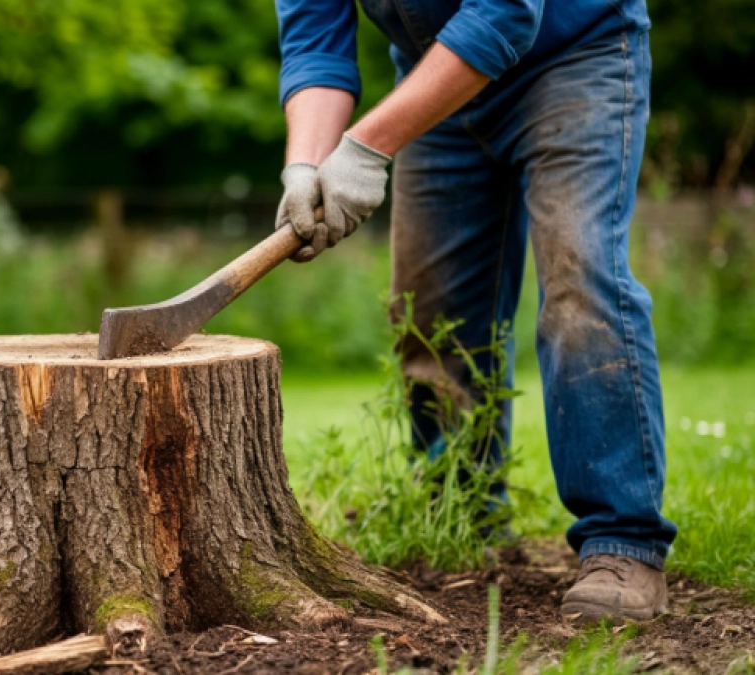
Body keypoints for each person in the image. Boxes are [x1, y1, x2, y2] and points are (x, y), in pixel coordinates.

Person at [272, 0, 676, 624]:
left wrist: (367, 146)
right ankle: (463, 519)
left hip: (575, 57)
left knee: (581, 281)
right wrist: (305, 163)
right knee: (430, 318)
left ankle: (623, 542)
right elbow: (316, 45)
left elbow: (506, 11)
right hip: (438, 82)